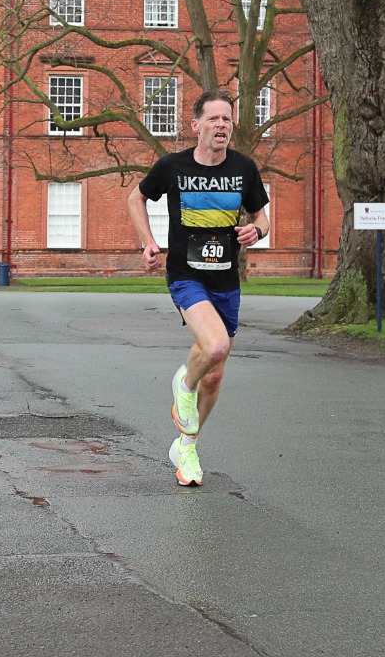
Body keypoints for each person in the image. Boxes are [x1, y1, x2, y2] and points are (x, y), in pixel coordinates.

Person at [127, 88, 269, 486]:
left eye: (226, 119)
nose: (221, 125)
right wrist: (149, 242)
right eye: (213, 119)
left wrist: (257, 229)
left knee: (216, 374)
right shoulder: (172, 166)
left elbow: (262, 214)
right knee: (216, 347)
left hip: (226, 280)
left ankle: (187, 446)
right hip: (186, 275)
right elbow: (135, 199)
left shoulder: (244, 168)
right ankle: (183, 385)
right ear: (197, 126)